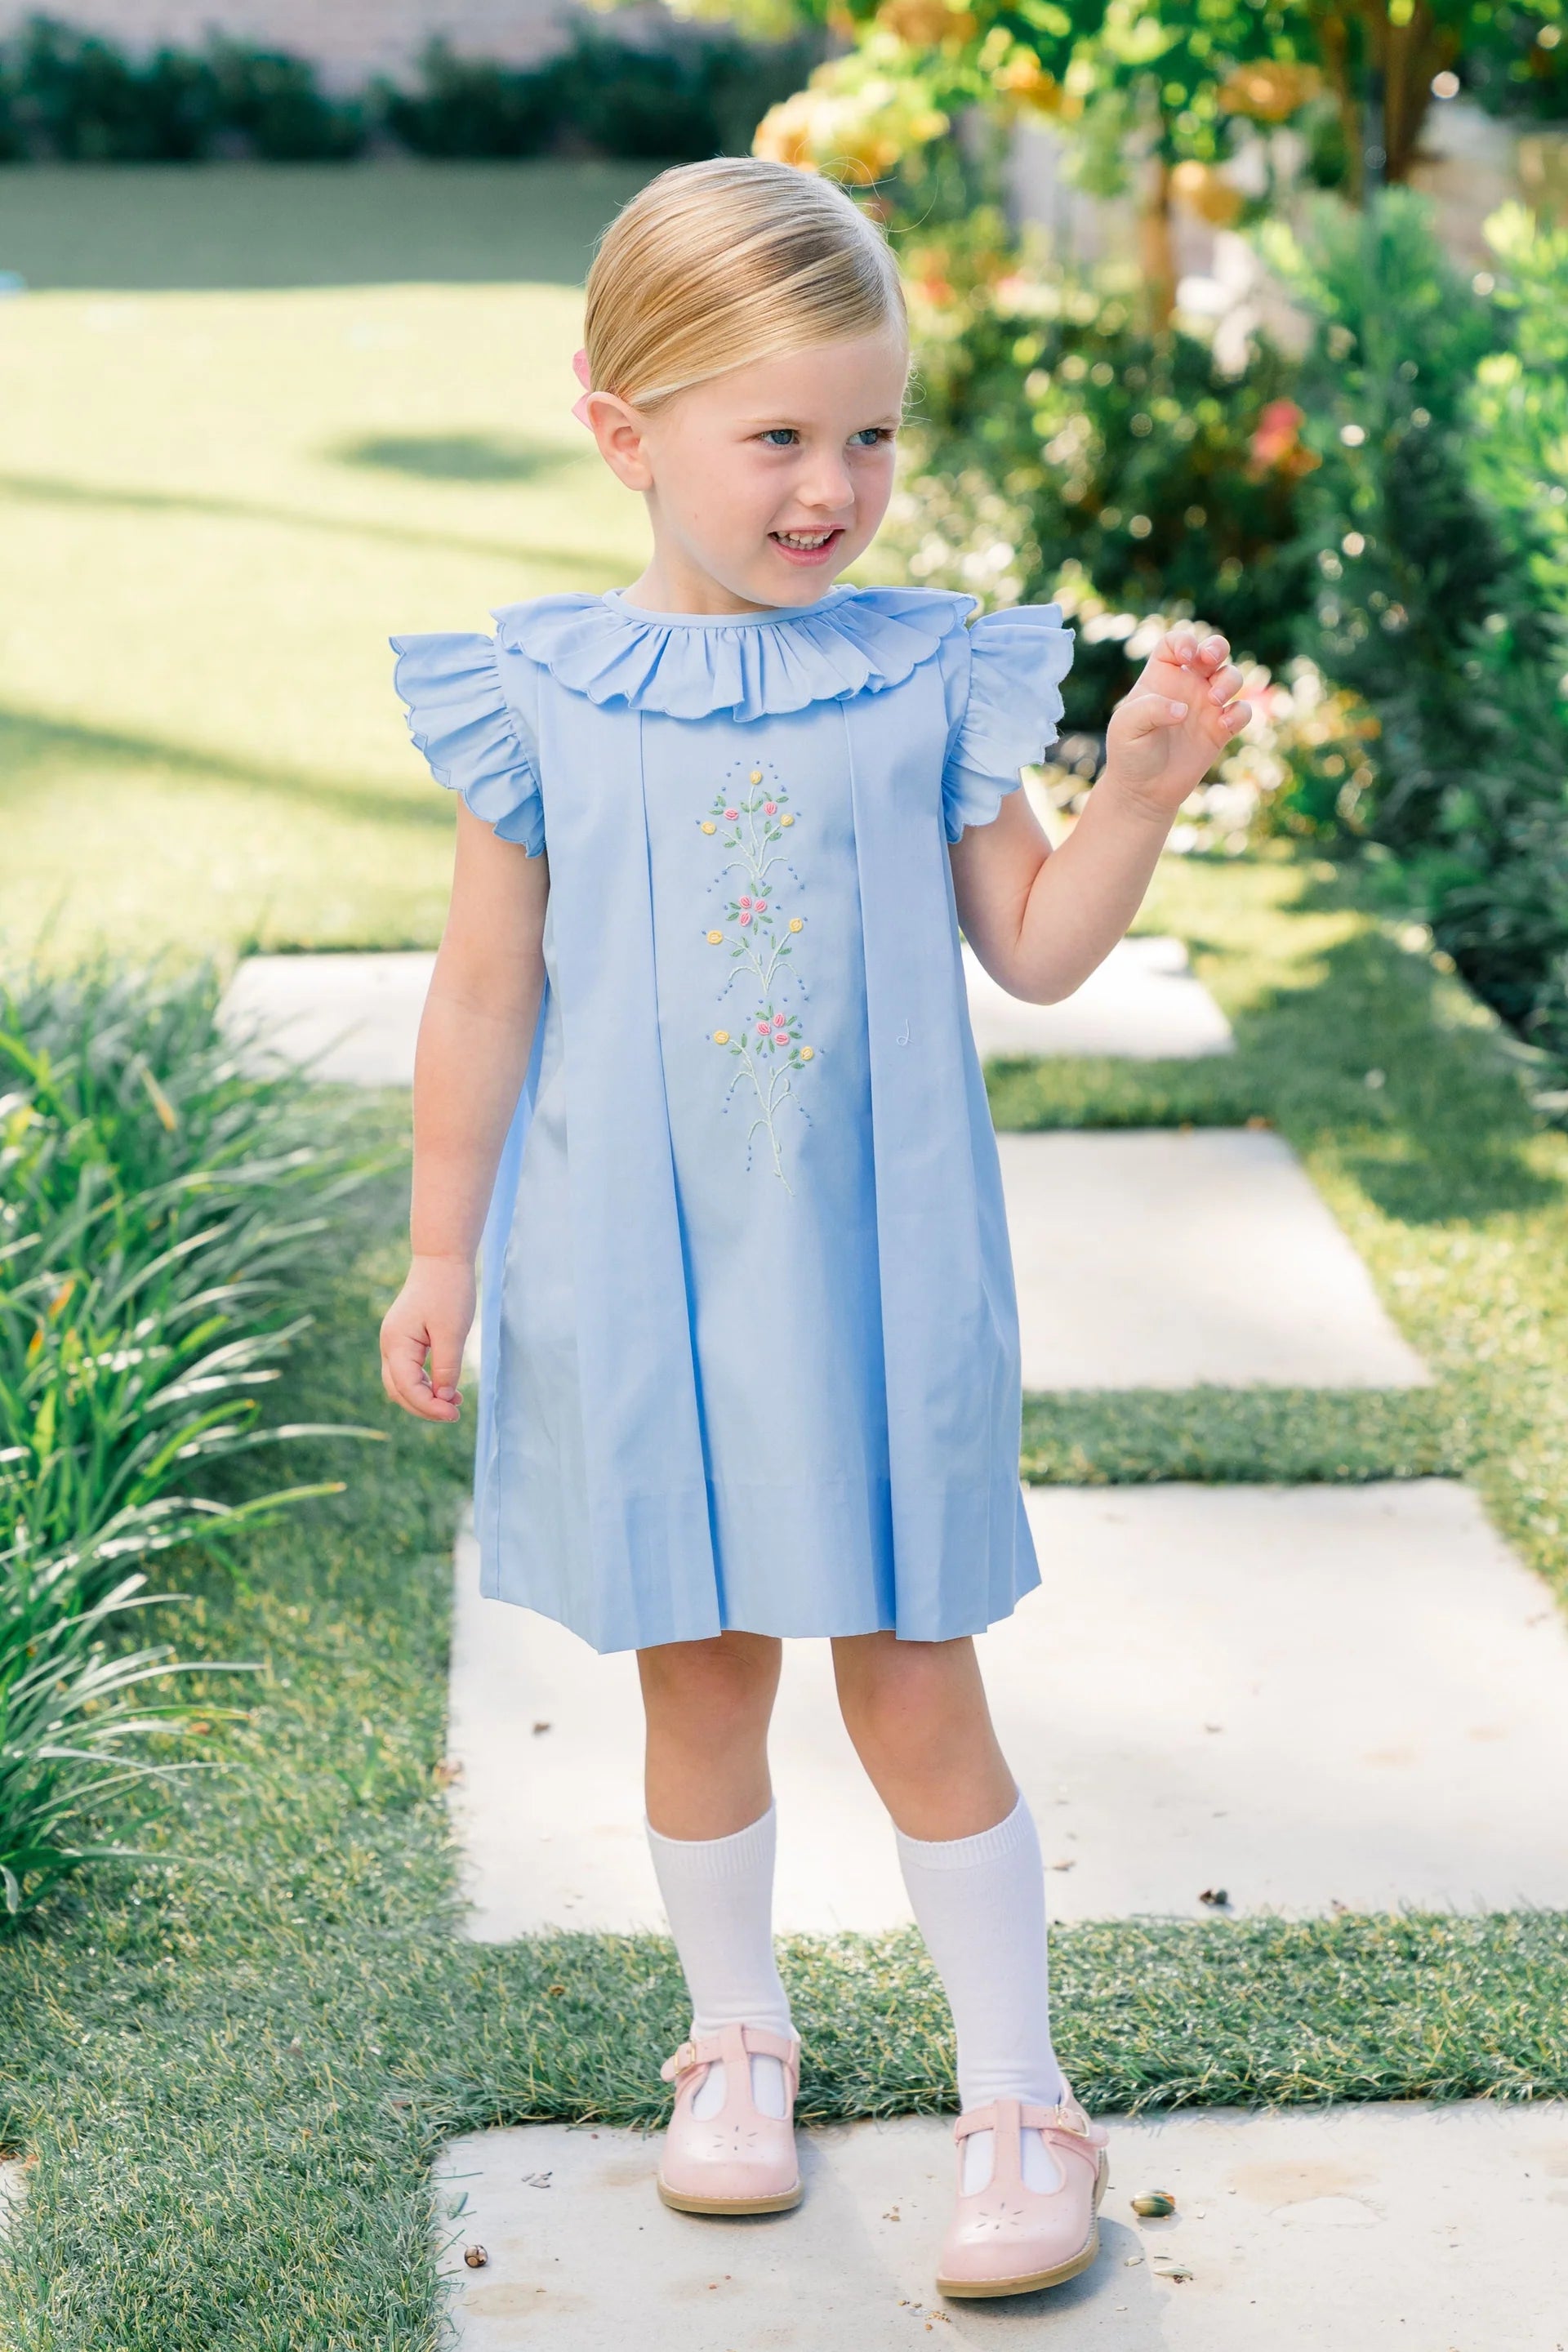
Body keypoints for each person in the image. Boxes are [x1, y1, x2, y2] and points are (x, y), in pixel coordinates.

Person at [381, 155, 1250, 2301]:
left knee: (917, 1681)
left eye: (869, 434)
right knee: (698, 1677)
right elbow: (485, 992)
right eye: (776, 434)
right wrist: (439, 1251)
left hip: (877, 1285)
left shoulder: (931, 677)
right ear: (623, 429)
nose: (831, 486)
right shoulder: (542, 698)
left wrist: (1136, 781)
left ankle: (1020, 2096)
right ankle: (734, 2042)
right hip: (640, 1288)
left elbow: (1036, 948)